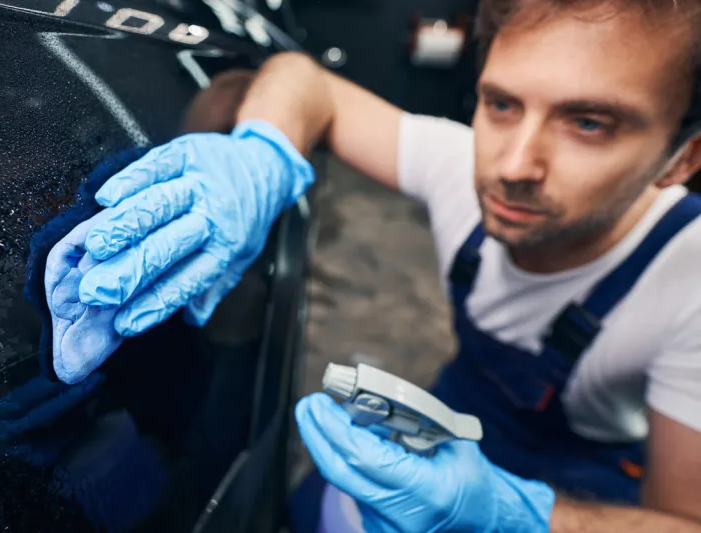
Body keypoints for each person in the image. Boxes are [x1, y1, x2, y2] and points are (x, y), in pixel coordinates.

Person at [72, 0, 701, 530]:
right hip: (461, 410)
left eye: (589, 123)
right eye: (502, 105)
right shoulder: (460, 165)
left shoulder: (689, 281)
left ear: (680, 159)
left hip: (586, 485)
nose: (512, 166)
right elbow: (305, 79)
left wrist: (515, 514)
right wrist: (260, 153)